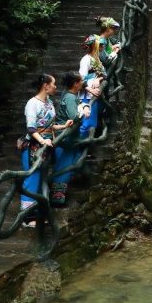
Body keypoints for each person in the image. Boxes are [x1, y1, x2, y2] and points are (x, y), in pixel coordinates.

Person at [20, 74, 73, 227]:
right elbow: (31, 128)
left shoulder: (49, 102)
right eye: (54, 84)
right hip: (34, 148)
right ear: (46, 86)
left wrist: (63, 126)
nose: (56, 87)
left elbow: (50, 125)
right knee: (32, 179)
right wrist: (43, 140)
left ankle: (40, 214)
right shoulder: (32, 104)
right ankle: (27, 218)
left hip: (47, 146)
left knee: (41, 178)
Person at [51, 71, 90, 207]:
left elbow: (78, 103)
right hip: (65, 138)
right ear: (75, 84)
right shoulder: (70, 98)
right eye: (80, 81)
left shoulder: (69, 95)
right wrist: (83, 111)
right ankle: (57, 201)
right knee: (63, 167)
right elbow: (74, 116)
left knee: (71, 163)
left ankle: (60, 198)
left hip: (68, 138)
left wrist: (84, 105)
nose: (82, 83)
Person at [78, 35, 105, 138]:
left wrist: (98, 79)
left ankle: (86, 148)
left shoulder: (96, 59)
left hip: (94, 93)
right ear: (95, 46)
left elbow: (104, 74)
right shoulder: (86, 60)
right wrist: (90, 89)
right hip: (87, 95)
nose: (102, 47)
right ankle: (80, 148)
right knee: (87, 123)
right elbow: (80, 79)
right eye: (101, 45)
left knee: (93, 122)